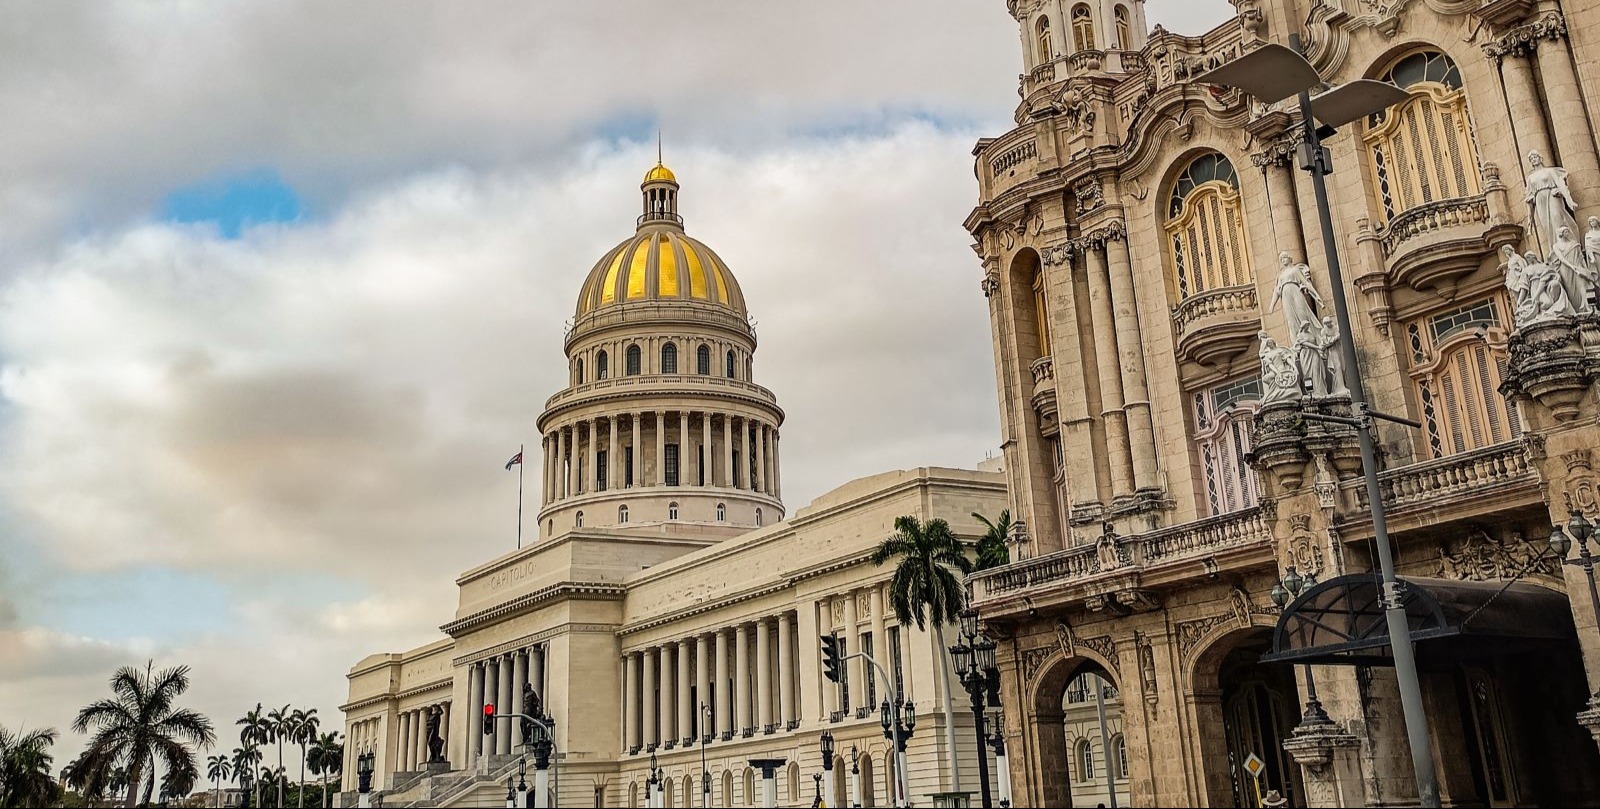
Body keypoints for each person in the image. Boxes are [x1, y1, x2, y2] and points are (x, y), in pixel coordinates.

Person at [1526, 150, 1579, 255]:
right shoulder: (1530, 178)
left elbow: (1560, 184)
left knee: (1557, 219)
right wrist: (1530, 220)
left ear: (1540, 158)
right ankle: (1555, 250)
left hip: (1552, 196)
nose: (1533, 159)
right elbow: (1529, 197)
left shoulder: (1549, 171)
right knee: (1547, 225)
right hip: (1540, 201)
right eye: (1531, 159)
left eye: (1535, 157)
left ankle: (1566, 246)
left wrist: (1569, 200)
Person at [1268, 252, 1322, 338]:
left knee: (1302, 313)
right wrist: (1272, 306)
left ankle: (1310, 338)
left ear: (1290, 258)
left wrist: (1316, 295)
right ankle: (1297, 343)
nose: (1283, 260)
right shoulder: (1281, 275)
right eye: (1281, 259)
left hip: (1295, 291)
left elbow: (1305, 282)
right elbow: (1276, 291)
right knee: (1291, 320)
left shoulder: (1295, 270)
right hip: (1285, 295)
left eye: (1285, 257)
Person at [1554, 225, 1598, 313]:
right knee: (1572, 292)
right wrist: (1571, 266)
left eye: (1568, 231)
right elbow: (1561, 258)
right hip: (1566, 269)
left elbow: (1581, 257)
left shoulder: (1574, 243)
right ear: (1561, 234)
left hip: (1578, 267)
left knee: (1583, 286)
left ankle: (1588, 307)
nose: (1568, 233)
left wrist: (1585, 268)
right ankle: (1577, 310)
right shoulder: (1556, 246)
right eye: (1566, 231)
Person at [1502, 245, 1536, 325]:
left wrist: (1520, 271)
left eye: (1506, 250)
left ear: (1510, 249)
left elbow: (1524, 267)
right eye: (1505, 251)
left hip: (1519, 277)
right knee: (1516, 296)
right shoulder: (1510, 260)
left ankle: (1526, 308)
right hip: (1512, 279)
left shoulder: (1517, 257)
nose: (1506, 252)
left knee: (1522, 291)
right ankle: (1521, 311)